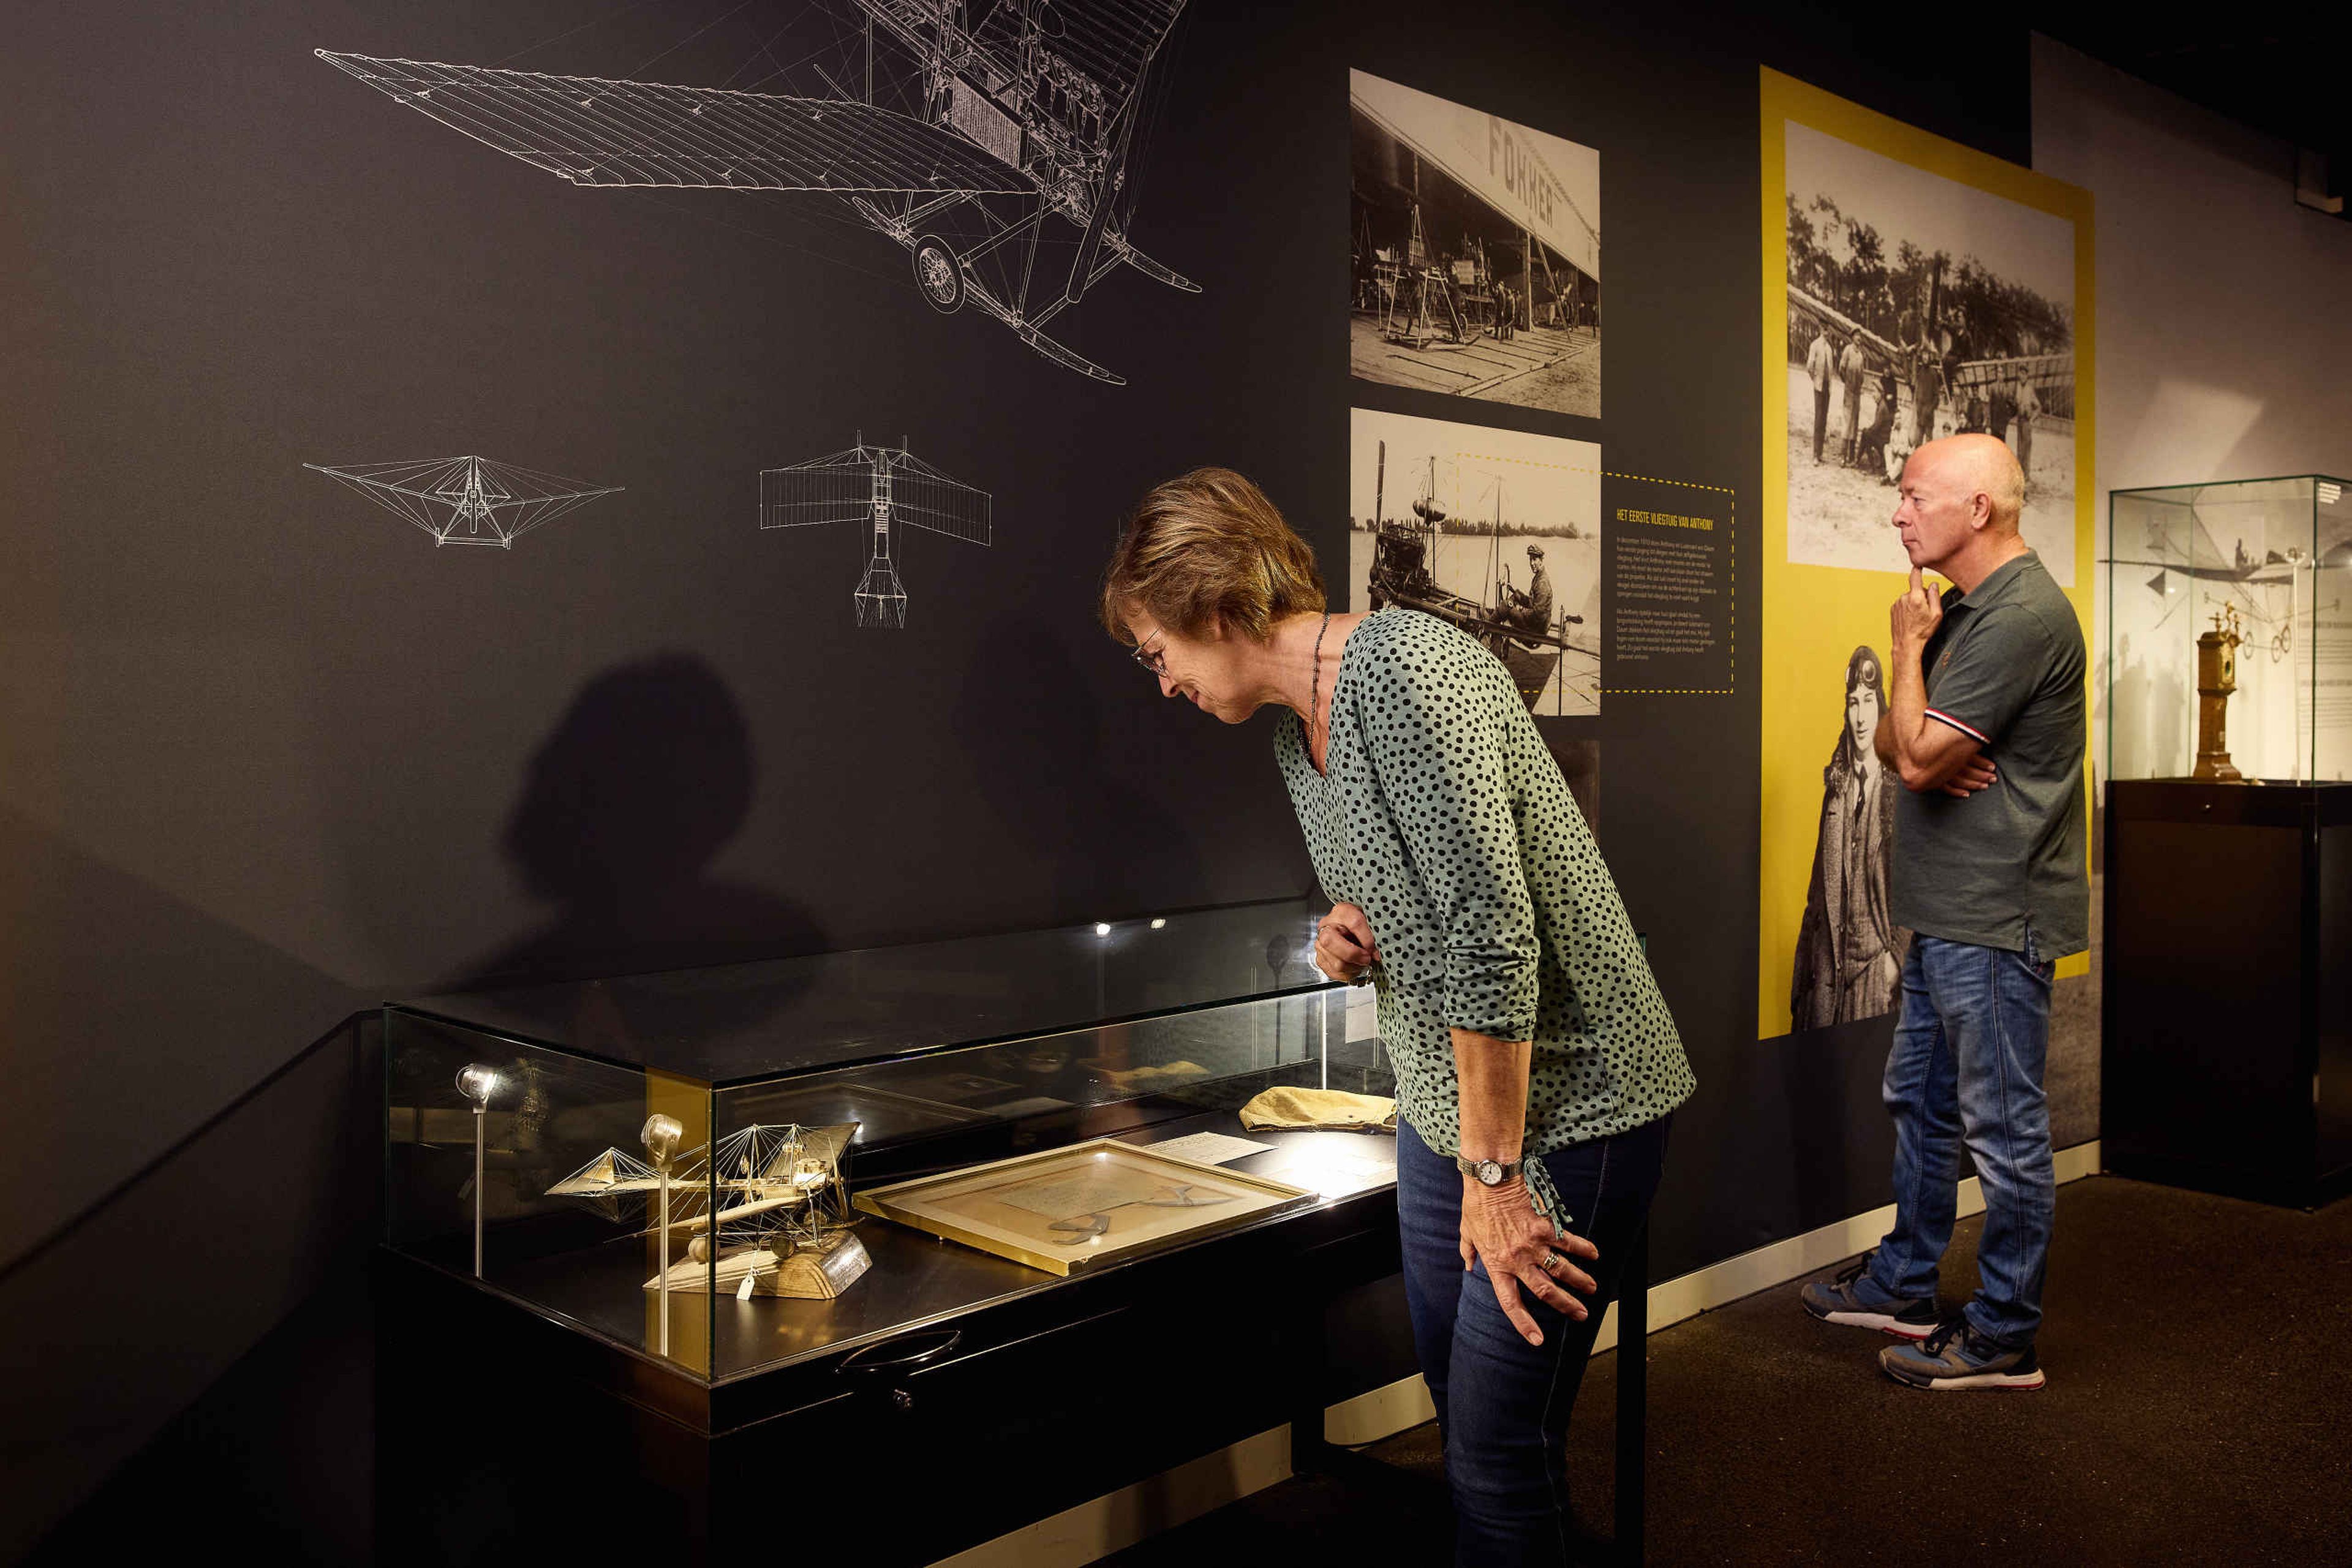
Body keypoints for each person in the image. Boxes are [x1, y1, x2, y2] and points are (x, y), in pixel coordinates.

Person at [1102, 469, 1694, 1561]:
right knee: (1468, 1420)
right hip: (1443, 1108)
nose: (1165, 683)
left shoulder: (1410, 668)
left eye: (1159, 652)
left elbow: (1491, 938)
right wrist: (1347, 931)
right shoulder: (1294, 736)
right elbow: (1408, 887)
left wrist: (1498, 1178)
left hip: (1571, 1103)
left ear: (1217, 609)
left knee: (1497, 1458)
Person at [1799, 434, 2087, 1392]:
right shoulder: (1970, 607)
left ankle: (2004, 1335)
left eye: (1915, 495)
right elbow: (1893, 740)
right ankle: (1907, 1283)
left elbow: (1915, 758)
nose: (1897, 512)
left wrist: (1907, 651)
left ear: (1978, 512)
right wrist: (1917, 722)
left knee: (2004, 1134)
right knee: (1921, 1108)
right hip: (1948, 914)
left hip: (1996, 920)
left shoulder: (2017, 617)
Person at [1789, 646, 1907, 1029]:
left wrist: (1896, 961)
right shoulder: (1835, 788)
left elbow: (1920, 886)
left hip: (1875, 976)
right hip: (1827, 980)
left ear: (1881, 706)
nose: (1860, 716)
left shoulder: (1899, 788)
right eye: (1853, 703)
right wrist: (1802, 985)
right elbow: (1816, 895)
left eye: (1868, 702)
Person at [1500, 542, 1554, 637]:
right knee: (1513, 598)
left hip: (1536, 629)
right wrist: (1515, 592)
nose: (1532, 563)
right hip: (1538, 624)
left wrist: (1520, 610)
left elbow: (1538, 614)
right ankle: (1496, 619)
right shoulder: (1539, 576)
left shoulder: (1543, 583)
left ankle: (1487, 627)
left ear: (1541, 560)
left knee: (1506, 605)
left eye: (1535, 559)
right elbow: (1532, 602)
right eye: (1530, 560)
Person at [1835, 333, 1868, 466]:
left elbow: (1862, 374)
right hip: (1849, 392)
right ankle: (1843, 456)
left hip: (1857, 393)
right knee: (1847, 423)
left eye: (1860, 336)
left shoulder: (1861, 355)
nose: (1859, 338)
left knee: (1855, 423)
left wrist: (1859, 386)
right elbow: (1841, 368)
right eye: (1857, 336)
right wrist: (1847, 383)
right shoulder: (1848, 350)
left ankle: (1852, 457)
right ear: (1853, 338)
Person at [1805, 326, 1835, 464]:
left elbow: (1831, 369)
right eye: (1825, 330)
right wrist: (1816, 379)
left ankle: (1821, 453)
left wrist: (1828, 384)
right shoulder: (1815, 345)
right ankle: (1815, 455)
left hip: (1827, 387)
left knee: (1824, 418)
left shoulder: (1829, 348)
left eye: (1828, 330)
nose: (1827, 333)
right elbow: (1809, 366)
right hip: (1818, 386)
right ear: (1820, 330)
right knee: (1818, 419)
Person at [2010, 375, 2040, 496]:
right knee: (2020, 449)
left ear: (2027, 376)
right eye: (2020, 374)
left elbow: (2039, 407)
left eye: (2024, 374)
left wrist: (2033, 419)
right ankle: (2021, 476)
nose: (2022, 377)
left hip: (2027, 423)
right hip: (2020, 422)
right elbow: (2015, 404)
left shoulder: (2030, 389)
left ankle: (2027, 477)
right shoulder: (2017, 388)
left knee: (2026, 449)